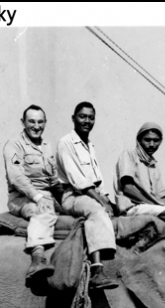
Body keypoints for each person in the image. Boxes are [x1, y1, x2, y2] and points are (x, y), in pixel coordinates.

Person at [56, 102, 119, 290]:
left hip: (93, 193)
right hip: (73, 195)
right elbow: (78, 181)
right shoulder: (66, 143)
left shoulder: (90, 145)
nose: (87, 121)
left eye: (91, 117)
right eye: (82, 116)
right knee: (96, 211)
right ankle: (97, 271)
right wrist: (101, 202)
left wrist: (108, 200)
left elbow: (98, 180)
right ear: (73, 118)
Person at [4, 104, 63, 285]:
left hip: (47, 195)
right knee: (42, 212)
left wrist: (66, 199)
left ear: (45, 123)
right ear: (23, 122)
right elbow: (16, 176)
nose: (36, 126)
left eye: (40, 122)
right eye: (31, 122)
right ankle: (37, 259)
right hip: (23, 197)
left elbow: (53, 180)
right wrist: (37, 197)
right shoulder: (14, 145)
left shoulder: (46, 147)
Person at [114, 122, 165, 234]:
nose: (151, 144)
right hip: (132, 208)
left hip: (149, 207)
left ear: (160, 141)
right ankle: (163, 248)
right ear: (139, 140)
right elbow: (128, 188)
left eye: (155, 140)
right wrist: (153, 204)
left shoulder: (154, 165)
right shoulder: (129, 154)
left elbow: (160, 198)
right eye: (147, 140)